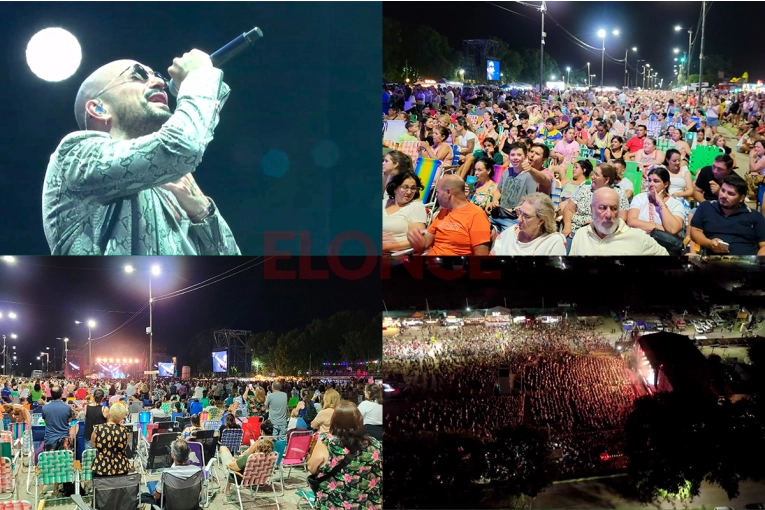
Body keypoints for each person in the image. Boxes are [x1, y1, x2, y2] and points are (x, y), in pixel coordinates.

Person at [43, 53, 239, 255]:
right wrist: (198, 77)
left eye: (159, 77)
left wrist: (203, 213)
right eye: (138, 75)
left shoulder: (173, 183)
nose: (159, 82)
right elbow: (181, 146)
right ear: (98, 108)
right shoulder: (75, 156)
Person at [307, 401, 382, 510]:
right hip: (368, 504)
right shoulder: (374, 443)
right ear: (359, 420)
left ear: (334, 421)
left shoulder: (327, 443)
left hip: (332, 503)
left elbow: (311, 468)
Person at [407, 175, 491, 255]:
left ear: (448, 192)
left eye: (437, 192)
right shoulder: (444, 212)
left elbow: (481, 256)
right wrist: (416, 240)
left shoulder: (477, 215)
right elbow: (425, 244)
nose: (436, 196)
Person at [570, 188, 669, 256]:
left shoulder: (638, 238)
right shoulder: (581, 235)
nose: (608, 214)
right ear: (592, 209)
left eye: (614, 208)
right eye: (603, 208)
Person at [561, 163, 630, 253]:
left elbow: (622, 217)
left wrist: (597, 224)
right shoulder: (585, 189)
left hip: (602, 235)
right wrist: (567, 225)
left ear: (606, 180)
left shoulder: (618, 193)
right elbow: (569, 209)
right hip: (575, 231)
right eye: (593, 173)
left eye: (596, 175)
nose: (592, 177)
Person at [690, 174, 765, 255]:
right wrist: (709, 243)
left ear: (741, 198)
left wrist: (758, 264)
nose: (724, 195)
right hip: (713, 262)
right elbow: (695, 232)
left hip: (746, 263)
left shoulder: (755, 216)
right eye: (722, 190)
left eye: (730, 193)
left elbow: (764, 245)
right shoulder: (706, 207)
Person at [485, 143, 538, 233]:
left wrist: (515, 209)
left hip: (512, 218)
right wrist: (494, 200)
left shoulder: (529, 176)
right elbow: (498, 190)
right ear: (509, 157)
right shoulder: (506, 171)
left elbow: (531, 201)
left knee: (505, 240)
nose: (515, 158)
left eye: (519, 155)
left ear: (525, 157)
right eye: (512, 155)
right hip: (498, 213)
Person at [491, 193, 566, 255]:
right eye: (519, 212)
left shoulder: (553, 242)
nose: (519, 219)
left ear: (541, 220)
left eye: (526, 216)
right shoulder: (510, 233)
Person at [627, 166, 686, 235]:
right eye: (649, 180)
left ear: (666, 184)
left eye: (656, 181)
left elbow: (673, 229)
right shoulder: (640, 198)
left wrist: (661, 203)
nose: (651, 184)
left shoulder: (676, 204)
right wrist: (658, 227)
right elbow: (631, 221)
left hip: (662, 244)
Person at [382, 171, 427, 254]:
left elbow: (417, 240)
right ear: (395, 188)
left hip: (393, 253)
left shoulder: (415, 207)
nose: (409, 192)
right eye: (405, 187)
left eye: (413, 188)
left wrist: (385, 247)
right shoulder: (384, 202)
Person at [220, 437, 275, 503]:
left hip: (239, 479)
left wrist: (233, 462)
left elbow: (232, 467)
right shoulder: (270, 459)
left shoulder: (249, 458)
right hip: (256, 479)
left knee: (223, 448)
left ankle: (227, 489)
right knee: (235, 462)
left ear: (257, 448)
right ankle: (227, 489)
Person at [152, 439, 202, 505]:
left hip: (172, 506)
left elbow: (157, 495)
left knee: (151, 486)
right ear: (188, 454)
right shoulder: (197, 471)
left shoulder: (167, 473)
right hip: (191, 506)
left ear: (172, 455)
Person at [91, 404, 131, 477]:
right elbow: (124, 448)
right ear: (122, 417)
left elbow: (94, 446)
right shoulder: (125, 431)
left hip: (101, 468)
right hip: (121, 467)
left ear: (109, 413)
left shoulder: (97, 429)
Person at [42, 386, 74, 451]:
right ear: (61, 395)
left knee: (50, 460)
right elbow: (69, 420)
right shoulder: (67, 408)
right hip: (64, 440)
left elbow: (46, 421)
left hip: (50, 439)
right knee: (64, 460)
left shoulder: (44, 408)